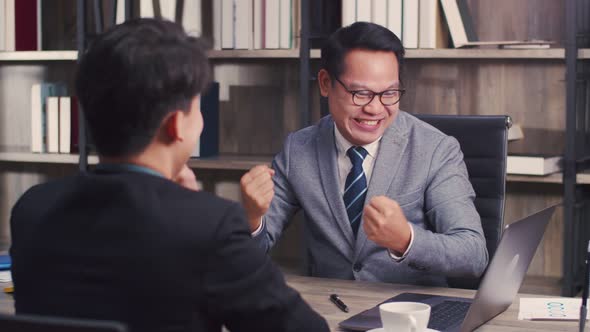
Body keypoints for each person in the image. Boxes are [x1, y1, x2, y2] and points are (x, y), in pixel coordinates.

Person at [9, 18, 328, 332]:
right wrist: (192, 209)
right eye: (198, 107)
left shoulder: (32, 208)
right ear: (176, 124)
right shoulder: (209, 226)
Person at [241, 22, 488, 286]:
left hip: (409, 315)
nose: (375, 108)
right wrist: (252, 218)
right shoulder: (298, 150)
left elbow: (473, 254)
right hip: (330, 309)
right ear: (325, 83)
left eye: (390, 93)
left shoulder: (435, 149)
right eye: (360, 93)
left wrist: (406, 240)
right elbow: (247, 254)